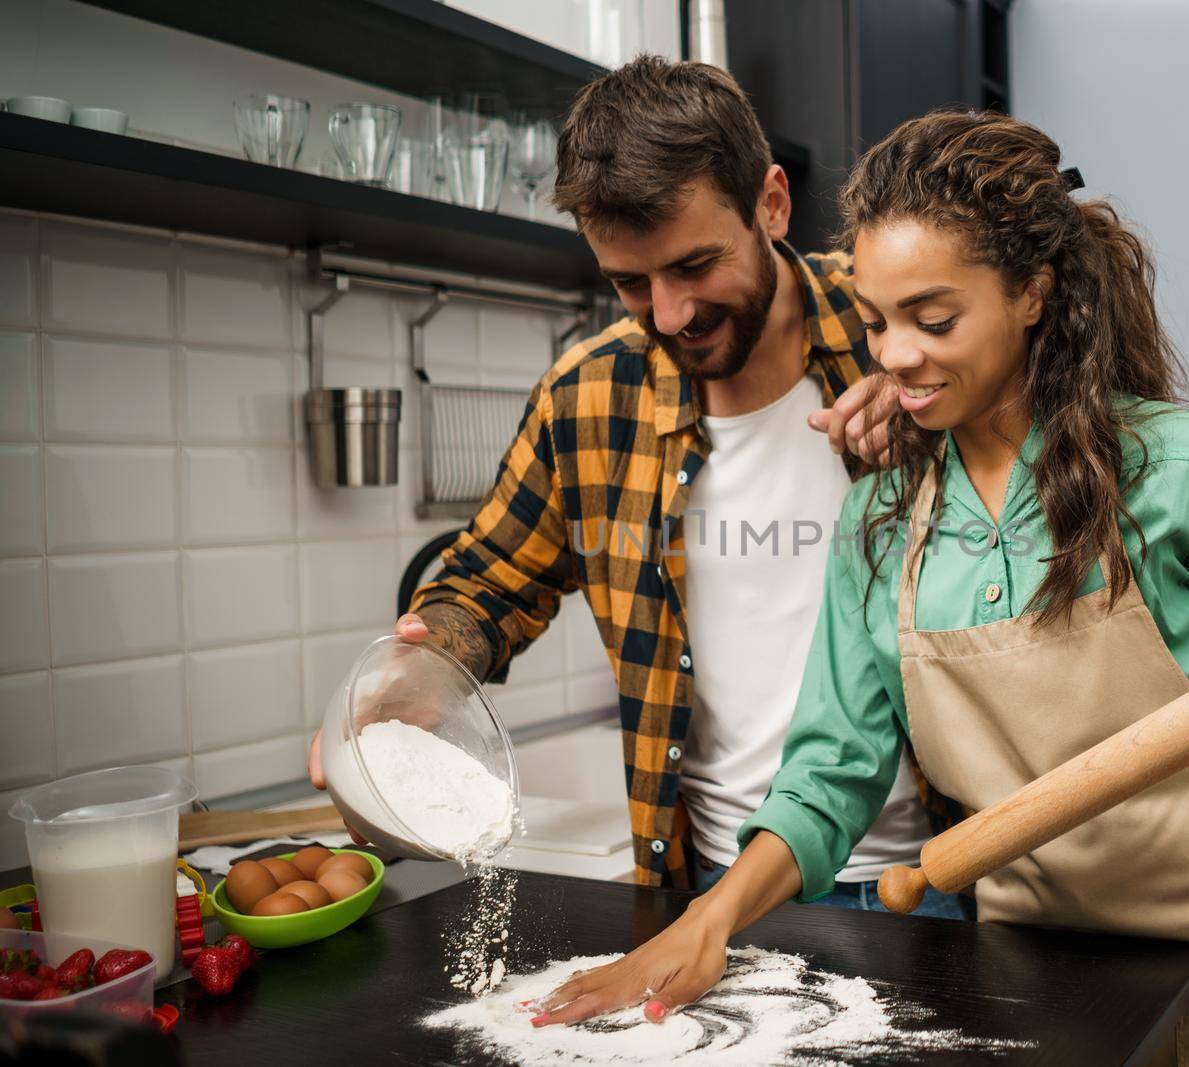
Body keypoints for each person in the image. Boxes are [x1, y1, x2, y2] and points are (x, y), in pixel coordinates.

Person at [530, 109, 1189, 1066]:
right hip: (1023, 967)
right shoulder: (881, 522)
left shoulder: (1171, 469)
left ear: (1032, 293)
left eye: (934, 320)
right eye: (880, 321)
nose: (893, 354)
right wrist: (711, 918)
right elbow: (828, 770)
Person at [306, 56, 969, 916]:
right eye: (629, 282)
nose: (668, 313)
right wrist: (410, 686)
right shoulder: (588, 396)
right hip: (716, 889)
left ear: (771, 203)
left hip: (935, 871)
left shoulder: (897, 323)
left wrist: (937, 389)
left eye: (695, 265)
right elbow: (485, 586)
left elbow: (1071, 406)